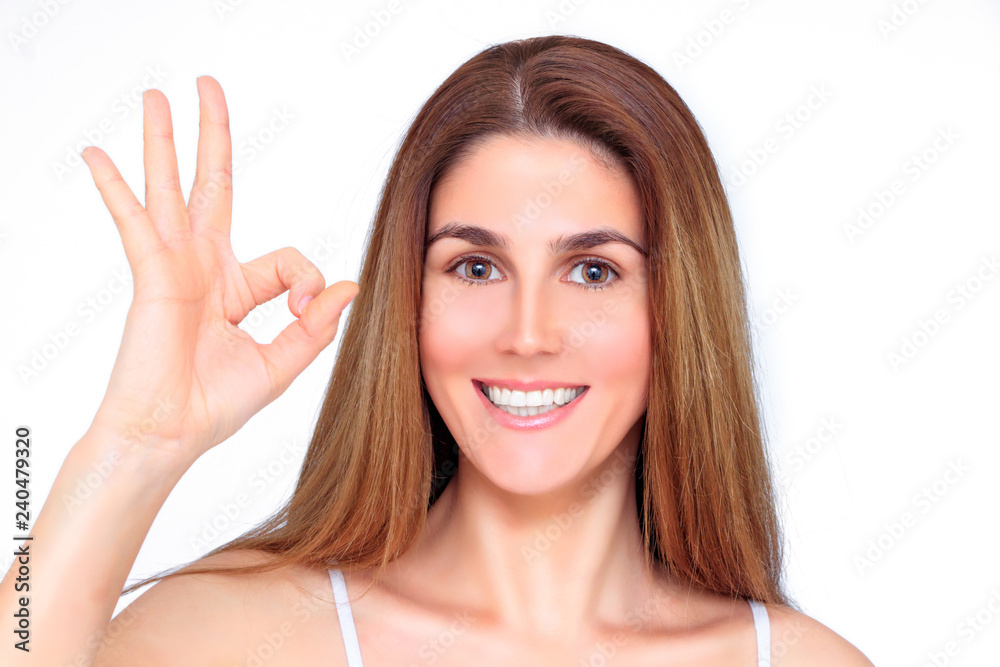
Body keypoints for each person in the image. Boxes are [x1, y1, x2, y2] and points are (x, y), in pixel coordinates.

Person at [1, 35, 875, 665]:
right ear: (408, 302)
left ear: (678, 308)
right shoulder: (227, 635)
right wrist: (131, 446)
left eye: (595, 271)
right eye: (477, 265)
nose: (528, 333)